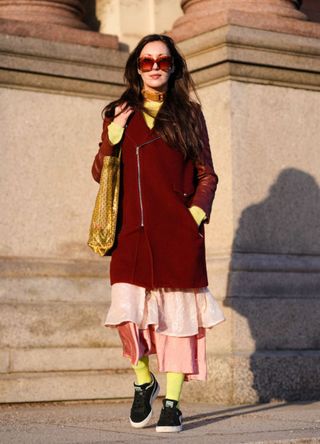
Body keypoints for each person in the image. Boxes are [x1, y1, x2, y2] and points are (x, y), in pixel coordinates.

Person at [91, 33, 225, 433]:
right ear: (136, 67)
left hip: (177, 231)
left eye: (162, 62)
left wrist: (195, 214)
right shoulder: (118, 112)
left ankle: (172, 404)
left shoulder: (189, 114)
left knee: (178, 323)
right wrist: (111, 140)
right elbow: (101, 173)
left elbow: (207, 173)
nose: (154, 68)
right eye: (147, 61)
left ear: (173, 68)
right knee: (127, 315)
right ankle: (142, 380)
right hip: (131, 231)